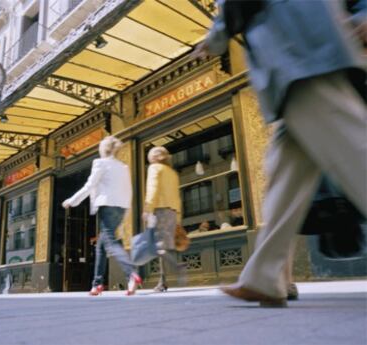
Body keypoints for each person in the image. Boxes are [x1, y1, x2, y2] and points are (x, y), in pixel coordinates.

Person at [194, 0, 367, 306]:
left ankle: (264, 276)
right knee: (285, 174)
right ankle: (264, 276)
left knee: (357, 154)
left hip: (296, 50)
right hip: (308, 45)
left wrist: (216, 36)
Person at [62, 136, 142, 296]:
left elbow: (90, 185)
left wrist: (72, 200)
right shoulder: (123, 166)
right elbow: (129, 188)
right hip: (121, 206)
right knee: (101, 245)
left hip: (107, 205)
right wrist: (126, 207)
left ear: (103, 149)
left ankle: (131, 272)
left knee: (110, 241)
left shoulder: (100, 163)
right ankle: (97, 284)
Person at [143, 146, 185, 292]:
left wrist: (147, 209)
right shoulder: (173, 173)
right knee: (163, 245)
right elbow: (177, 196)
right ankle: (164, 279)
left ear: (153, 157)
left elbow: (153, 188)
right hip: (172, 211)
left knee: (158, 246)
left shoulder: (154, 168)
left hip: (160, 209)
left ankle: (170, 274)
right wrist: (178, 217)